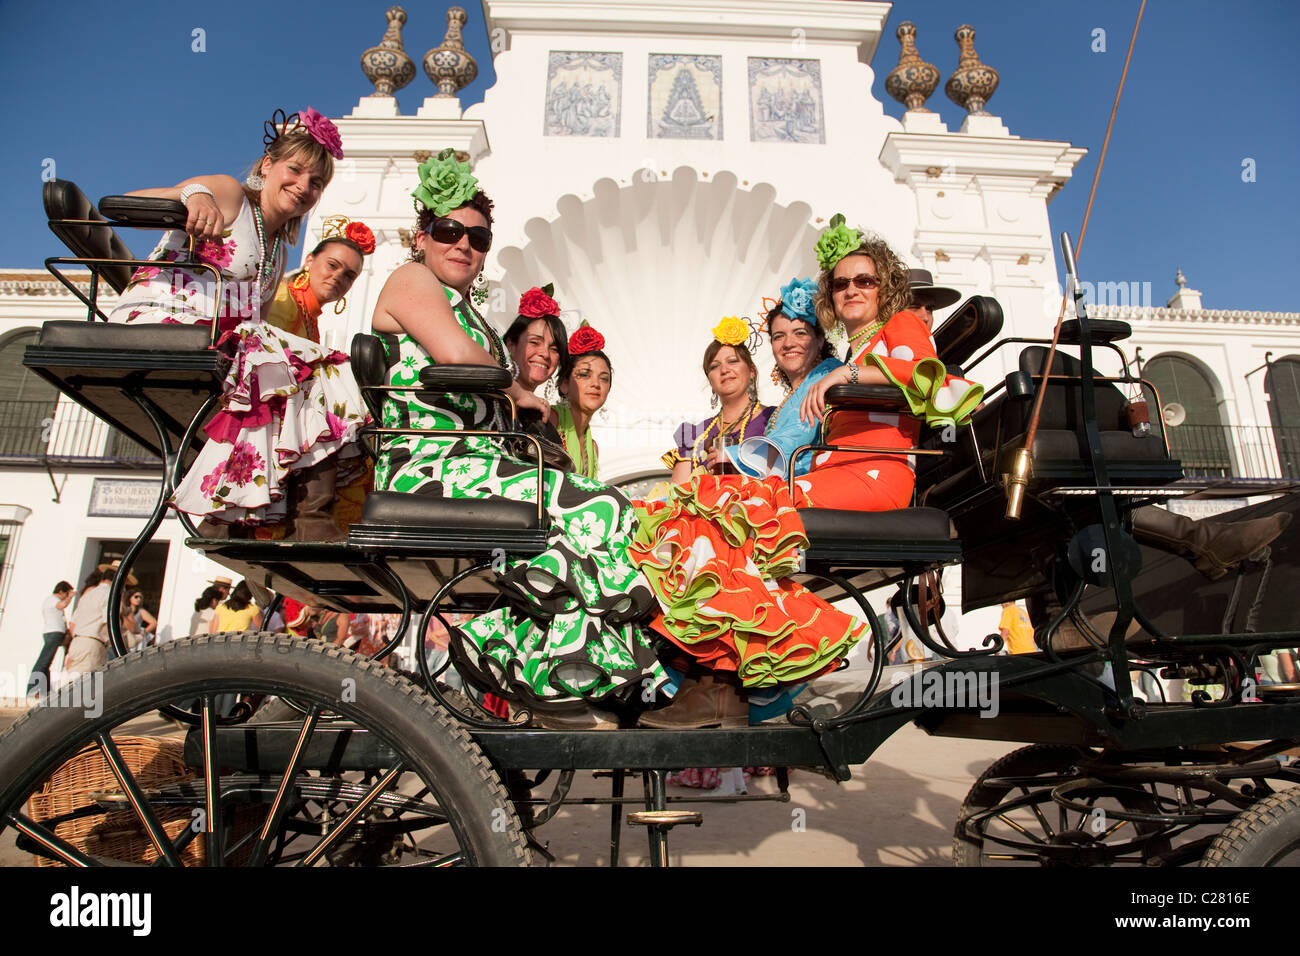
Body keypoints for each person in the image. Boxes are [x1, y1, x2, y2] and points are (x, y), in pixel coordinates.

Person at [370, 148, 666, 728]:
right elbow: (457, 358)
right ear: (423, 235)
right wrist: (519, 392)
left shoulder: (463, 306)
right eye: (449, 230)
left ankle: (545, 662)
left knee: (595, 520)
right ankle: (544, 667)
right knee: (602, 509)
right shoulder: (411, 280)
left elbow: (470, 354)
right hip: (429, 466)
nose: (463, 245)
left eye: (477, 239)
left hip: (472, 463)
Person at [108, 107, 368, 541]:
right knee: (319, 365)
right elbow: (128, 201)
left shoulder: (279, 250)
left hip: (218, 342)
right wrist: (193, 195)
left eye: (316, 182)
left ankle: (251, 513)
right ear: (267, 166)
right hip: (165, 317)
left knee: (306, 370)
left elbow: (254, 320)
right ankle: (300, 519)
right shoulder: (231, 195)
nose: (303, 186)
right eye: (295, 170)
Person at [797, 214, 984, 510]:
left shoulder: (901, 322)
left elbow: (924, 373)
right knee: (728, 497)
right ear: (830, 296)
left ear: (884, 289)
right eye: (840, 283)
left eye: (865, 281)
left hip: (874, 474)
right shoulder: (857, 351)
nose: (851, 290)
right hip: (834, 474)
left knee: (757, 501)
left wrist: (849, 373)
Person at [724, 278, 843, 479]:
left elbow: (794, 437)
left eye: (800, 333)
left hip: (809, 491)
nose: (788, 343)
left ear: (820, 340)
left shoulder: (828, 373)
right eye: (779, 336)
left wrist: (732, 456)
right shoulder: (795, 394)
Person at [664, 318, 773, 485]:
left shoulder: (774, 419)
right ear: (710, 380)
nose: (724, 370)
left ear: (751, 371)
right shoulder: (695, 436)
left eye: (733, 361)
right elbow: (675, 496)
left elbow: (783, 477)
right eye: (715, 366)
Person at [553, 322, 612, 480]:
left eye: (604, 379)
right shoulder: (551, 420)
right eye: (585, 374)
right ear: (564, 384)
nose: (596, 384)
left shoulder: (592, 448)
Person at [502, 285, 568, 398]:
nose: (545, 354)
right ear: (511, 345)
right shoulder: (487, 396)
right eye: (534, 342)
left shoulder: (541, 412)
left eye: (554, 349)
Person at [66, 567, 115, 675]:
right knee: (87, 687)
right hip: (93, 643)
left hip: (77, 641)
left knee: (72, 684)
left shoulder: (88, 594)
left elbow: (73, 624)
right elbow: (110, 623)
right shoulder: (110, 594)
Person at [28, 581, 73, 696]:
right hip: (54, 633)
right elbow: (62, 605)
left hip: (52, 633)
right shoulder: (53, 600)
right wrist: (71, 597)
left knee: (46, 662)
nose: (67, 597)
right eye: (67, 594)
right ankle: (33, 690)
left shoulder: (50, 600)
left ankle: (46, 691)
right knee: (43, 662)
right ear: (61, 592)